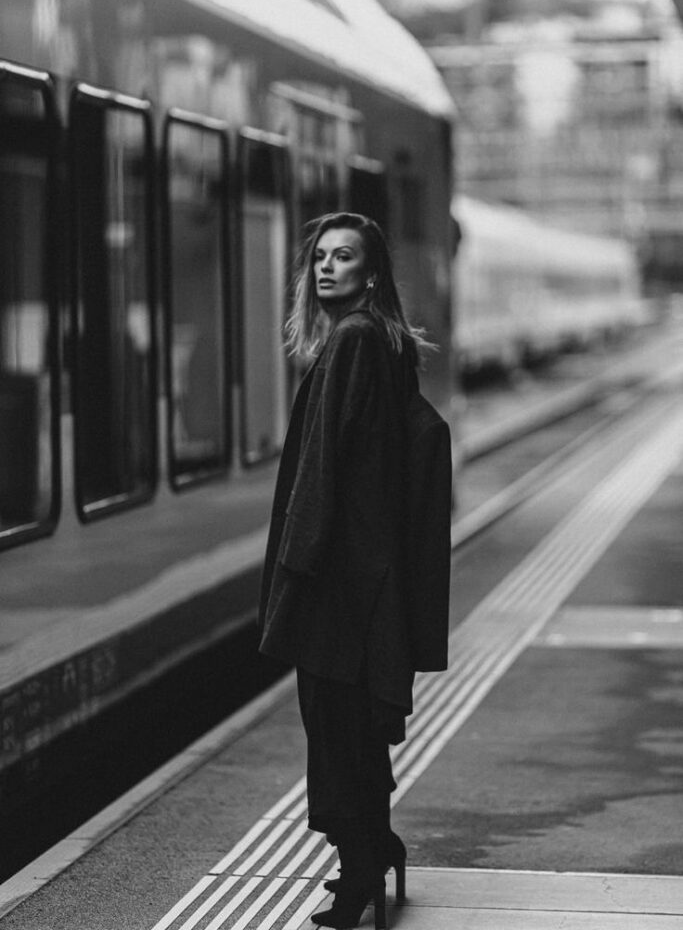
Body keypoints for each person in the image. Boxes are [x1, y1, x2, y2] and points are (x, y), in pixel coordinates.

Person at [258, 212, 450, 929]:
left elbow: (324, 471)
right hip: (365, 574)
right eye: (319, 258)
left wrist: (294, 569)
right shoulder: (378, 343)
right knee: (353, 725)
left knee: (335, 726)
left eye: (344, 258)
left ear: (371, 276)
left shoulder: (352, 341)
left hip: (340, 579)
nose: (325, 268)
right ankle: (371, 852)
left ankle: (361, 866)